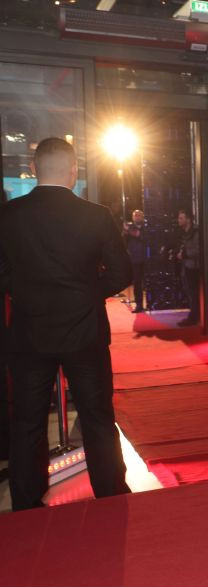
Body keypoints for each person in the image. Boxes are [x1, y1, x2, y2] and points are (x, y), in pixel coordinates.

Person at [0, 137, 132, 510]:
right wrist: (88, 293)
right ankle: (111, 497)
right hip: (85, 331)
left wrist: (23, 290)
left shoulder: (8, 215)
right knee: (97, 417)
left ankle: (26, 504)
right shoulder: (96, 215)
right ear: (73, 171)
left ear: (34, 168)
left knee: (27, 421)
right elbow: (122, 273)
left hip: (29, 333)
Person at [175, 209, 200, 326]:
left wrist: (184, 254)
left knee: (194, 293)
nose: (178, 220)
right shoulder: (186, 232)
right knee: (191, 293)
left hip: (194, 267)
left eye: (181, 218)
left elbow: (198, 250)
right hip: (188, 266)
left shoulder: (196, 232)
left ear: (188, 219)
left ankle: (194, 317)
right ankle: (194, 316)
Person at [124, 208, 147, 312]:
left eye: (139, 215)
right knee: (137, 283)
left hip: (146, 259)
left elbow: (140, 236)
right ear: (133, 217)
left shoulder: (147, 228)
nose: (137, 217)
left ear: (143, 216)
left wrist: (129, 230)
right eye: (135, 215)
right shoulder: (128, 228)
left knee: (147, 282)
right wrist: (126, 231)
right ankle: (139, 305)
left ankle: (151, 304)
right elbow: (123, 241)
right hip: (135, 259)